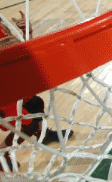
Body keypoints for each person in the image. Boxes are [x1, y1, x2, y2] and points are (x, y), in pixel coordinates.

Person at [0, 12, 74, 172]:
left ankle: (44, 135)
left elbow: (19, 50)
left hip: (9, 80)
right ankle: (2, 152)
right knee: (29, 124)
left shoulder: (1, 24)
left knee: (35, 103)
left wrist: (26, 33)